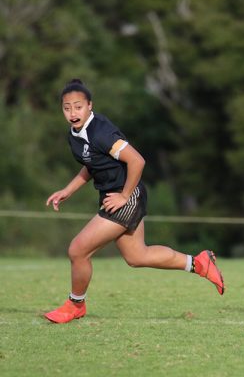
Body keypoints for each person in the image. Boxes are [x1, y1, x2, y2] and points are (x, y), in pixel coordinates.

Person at [44, 79, 225, 324]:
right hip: (116, 197)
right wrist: (68, 190)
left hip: (125, 196)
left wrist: (124, 196)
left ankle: (76, 304)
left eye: (78, 107)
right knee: (137, 256)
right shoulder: (75, 135)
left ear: (89, 106)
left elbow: (137, 161)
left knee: (78, 250)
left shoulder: (102, 131)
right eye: (67, 108)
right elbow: (91, 165)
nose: (72, 113)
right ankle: (200, 263)